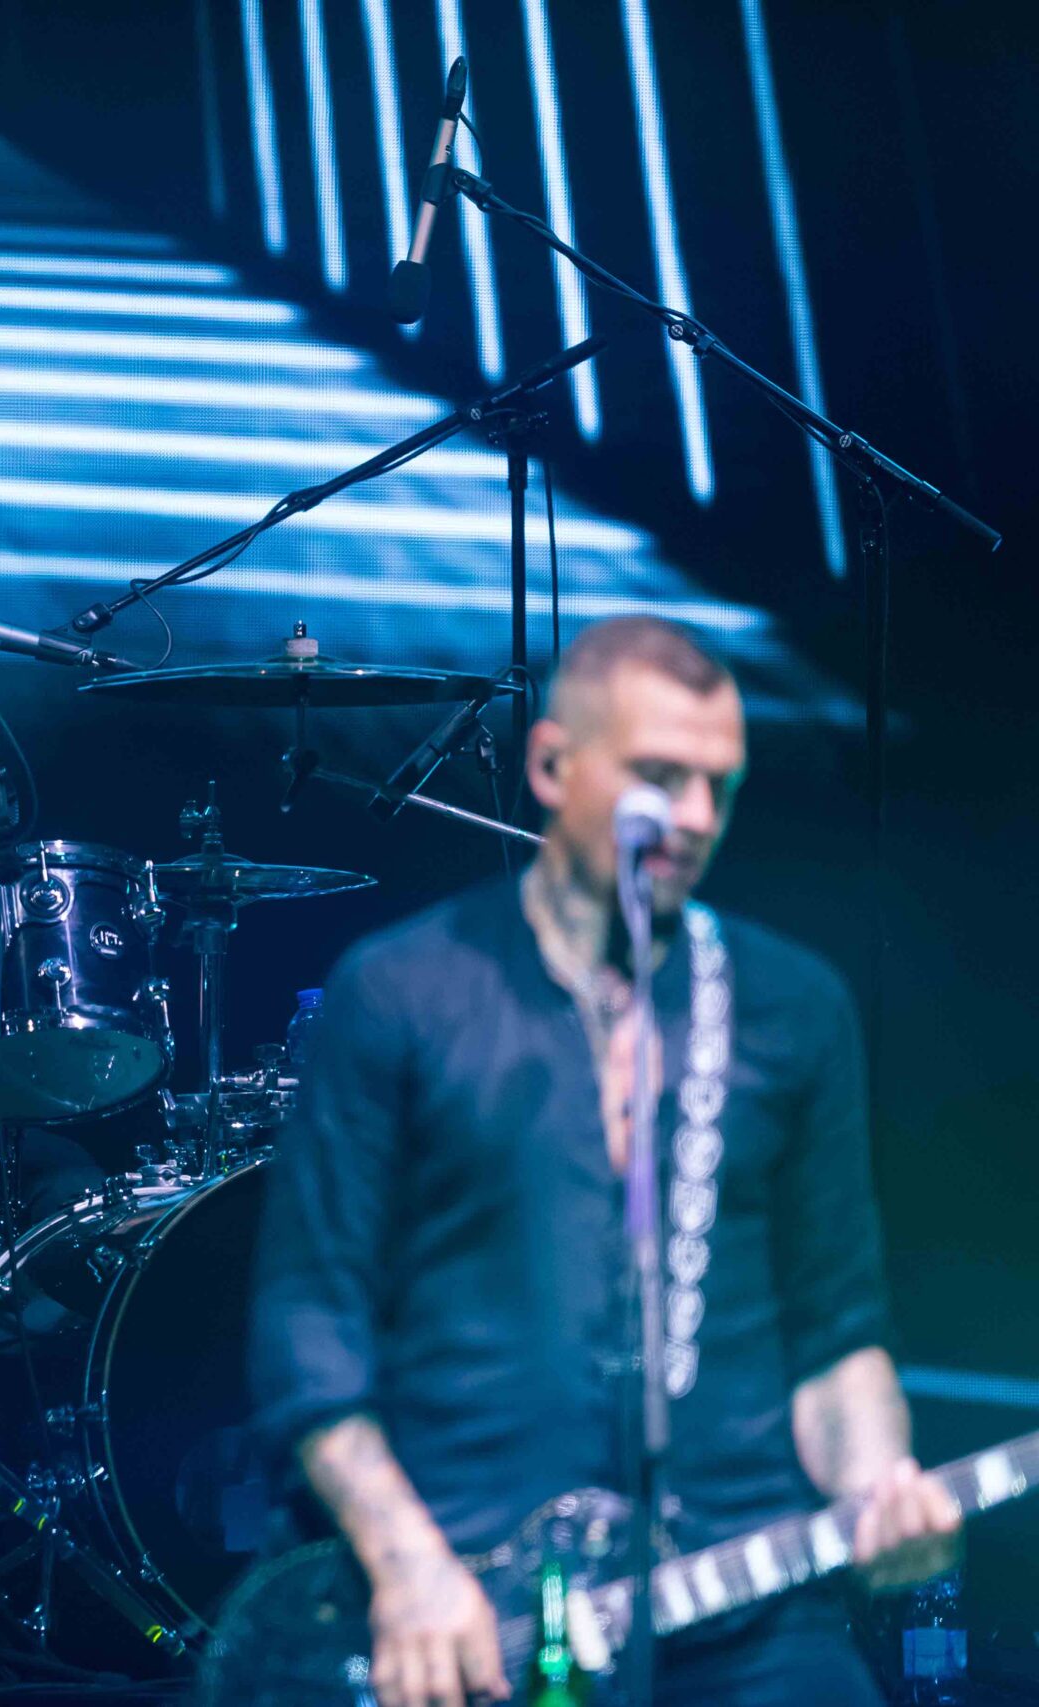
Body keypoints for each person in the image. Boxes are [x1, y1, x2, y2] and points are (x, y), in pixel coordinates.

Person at [249, 616, 960, 1707]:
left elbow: (836, 1331)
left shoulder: (789, 1004)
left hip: (744, 1593)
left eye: (719, 786)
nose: (695, 817)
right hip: (471, 1597)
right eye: (660, 778)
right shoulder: (401, 989)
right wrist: (406, 1567)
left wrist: (876, 1483)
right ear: (551, 767)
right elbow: (310, 1324)